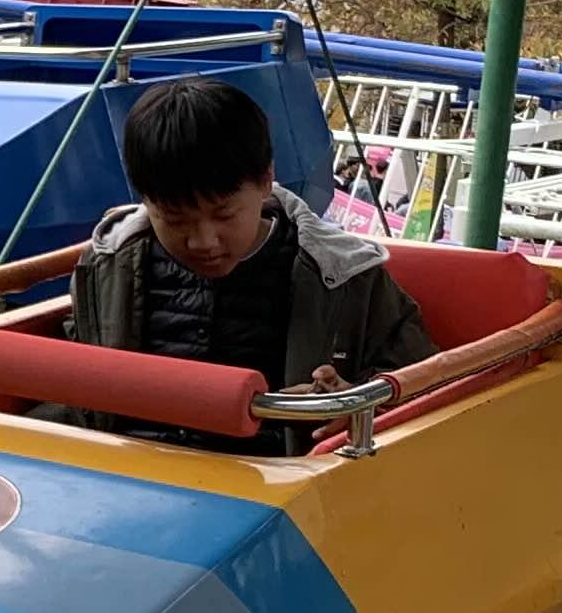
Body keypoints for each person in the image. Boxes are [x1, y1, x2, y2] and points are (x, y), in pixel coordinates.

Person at [67, 77, 433, 452]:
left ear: (266, 180)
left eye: (224, 215)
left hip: (281, 476)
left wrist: (352, 401)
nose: (204, 241)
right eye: (175, 220)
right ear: (144, 199)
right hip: (127, 467)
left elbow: (424, 385)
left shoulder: (345, 277)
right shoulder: (107, 268)